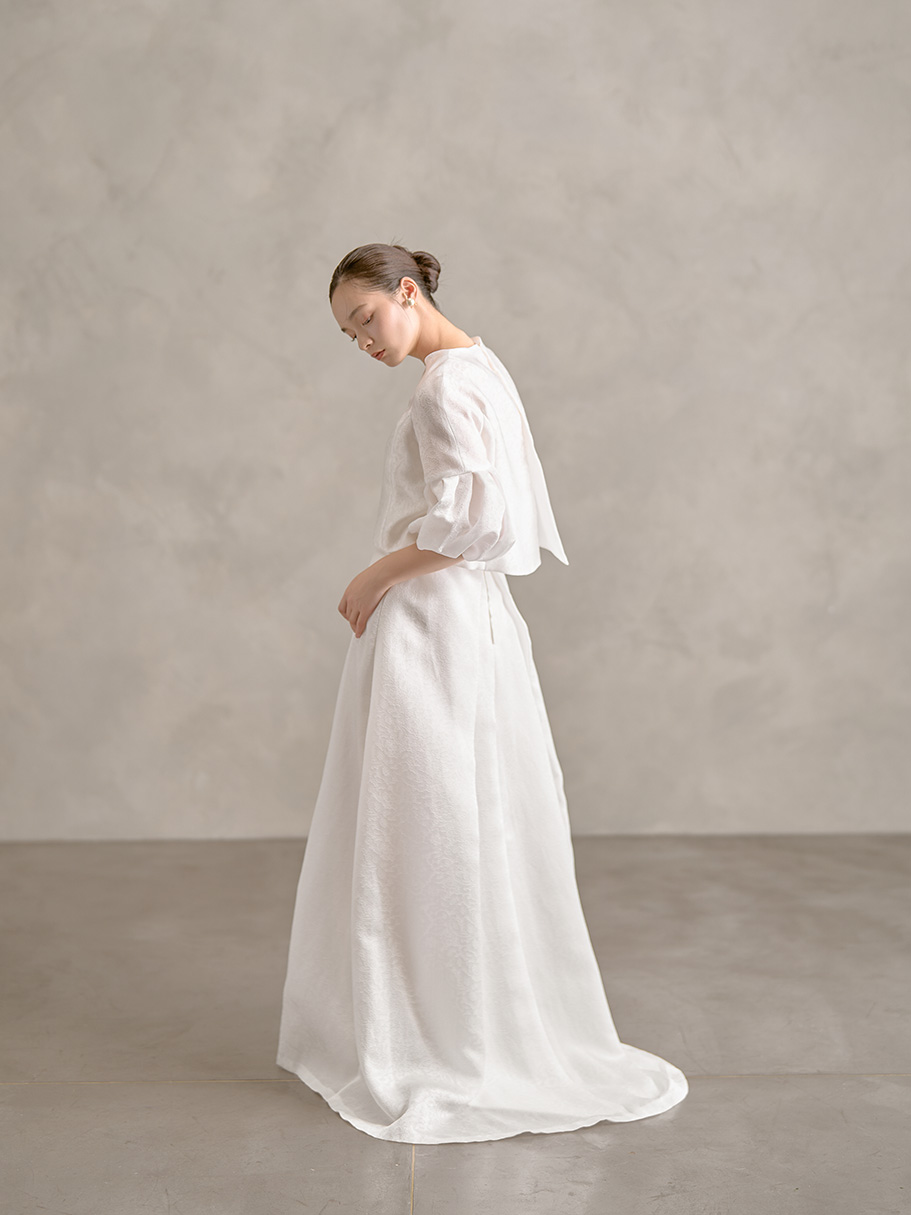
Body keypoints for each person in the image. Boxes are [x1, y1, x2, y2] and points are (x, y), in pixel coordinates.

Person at [275, 242, 688, 1144]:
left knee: (424, 819)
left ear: (407, 292)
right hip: (471, 617)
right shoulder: (478, 365)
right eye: (348, 334)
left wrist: (377, 572)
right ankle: (461, 1014)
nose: (362, 341)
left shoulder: (443, 388)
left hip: (433, 621)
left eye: (365, 319)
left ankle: (437, 1031)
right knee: (461, 811)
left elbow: (478, 522)